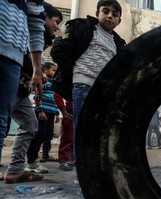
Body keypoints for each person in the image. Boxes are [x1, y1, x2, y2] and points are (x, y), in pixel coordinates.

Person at [50, 0, 126, 183]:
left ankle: (98, 171)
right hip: (83, 86)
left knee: (102, 132)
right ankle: (83, 174)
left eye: (114, 14)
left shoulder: (119, 43)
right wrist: (76, 73)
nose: (109, 16)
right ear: (97, 12)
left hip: (106, 93)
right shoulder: (80, 27)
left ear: (119, 20)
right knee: (83, 131)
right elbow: (58, 50)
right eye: (105, 11)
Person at [1, 0, 45, 183]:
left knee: (26, 124)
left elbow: (35, 23)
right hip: (14, 71)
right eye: (56, 21)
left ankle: (16, 169)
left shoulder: (31, 19)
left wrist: (37, 71)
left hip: (12, 57)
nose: (57, 26)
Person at [26, 62, 60, 173]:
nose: (54, 73)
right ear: (45, 70)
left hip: (50, 111)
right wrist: (40, 110)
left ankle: (45, 155)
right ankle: (33, 159)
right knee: (39, 135)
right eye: (53, 70)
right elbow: (37, 95)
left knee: (48, 134)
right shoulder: (42, 81)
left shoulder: (52, 82)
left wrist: (56, 113)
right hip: (43, 111)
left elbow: (53, 98)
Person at [54, 93, 74, 171]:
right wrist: (63, 109)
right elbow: (57, 93)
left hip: (84, 109)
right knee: (68, 137)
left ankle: (73, 159)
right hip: (70, 111)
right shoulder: (70, 81)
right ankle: (64, 160)